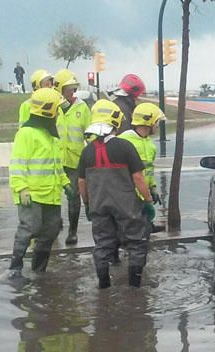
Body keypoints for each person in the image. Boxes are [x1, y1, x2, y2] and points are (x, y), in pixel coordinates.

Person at [78, 99, 153, 289]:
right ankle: (135, 286)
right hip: (127, 206)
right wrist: (148, 200)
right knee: (136, 243)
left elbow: (81, 182)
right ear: (116, 122)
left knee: (103, 245)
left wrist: (87, 204)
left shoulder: (87, 152)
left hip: (98, 206)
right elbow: (138, 178)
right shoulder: (125, 147)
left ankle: (103, 285)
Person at [8, 88, 71, 276]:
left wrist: (65, 182)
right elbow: (17, 164)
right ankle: (16, 266)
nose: (59, 113)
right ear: (48, 111)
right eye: (57, 109)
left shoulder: (50, 136)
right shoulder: (26, 133)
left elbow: (55, 165)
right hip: (31, 195)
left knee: (50, 232)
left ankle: (39, 269)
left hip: (52, 195)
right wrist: (21, 188)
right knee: (29, 229)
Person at [54, 69, 92, 245]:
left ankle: (72, 231)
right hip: (55, 160)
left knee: (73, 196)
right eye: (69, 88)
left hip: (75, 160)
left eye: (74, 88)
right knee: (53, 195)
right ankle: (54, 225)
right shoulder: (53, 107)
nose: (72, 91)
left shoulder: (82, 107)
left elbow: (89, 132)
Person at [118, 102, 167, 233]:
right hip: (128, 195)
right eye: (156, 122)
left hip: (143, 194)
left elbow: (149, 171)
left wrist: (153, 188)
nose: (157, 126)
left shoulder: (150, 145)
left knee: (141, 228)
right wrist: (147, 198)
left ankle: (147, 228)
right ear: (149, 122)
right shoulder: (123, 141)